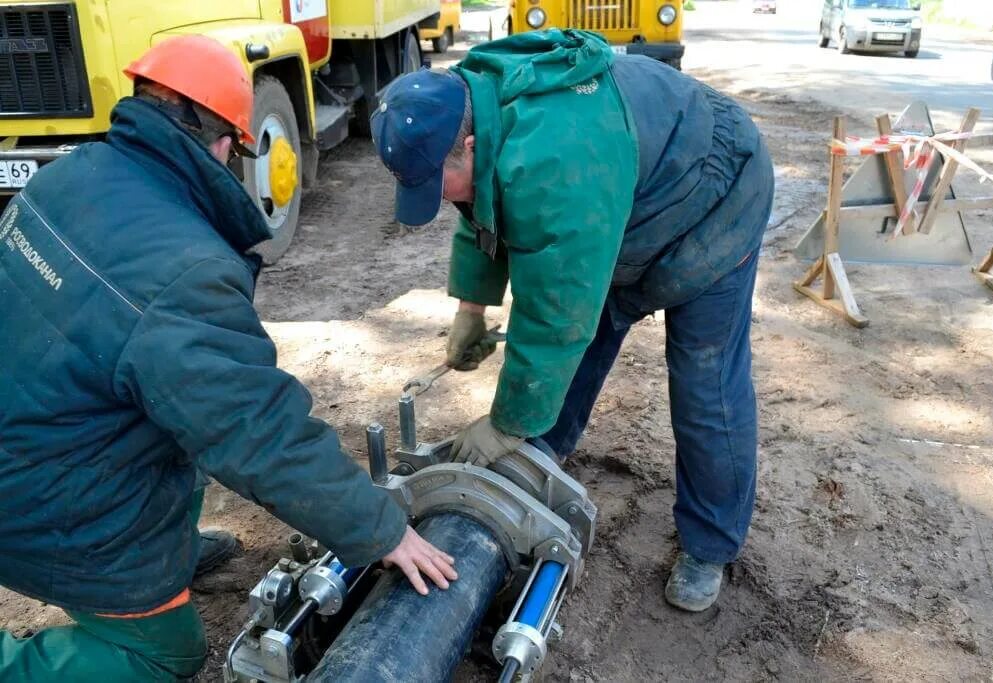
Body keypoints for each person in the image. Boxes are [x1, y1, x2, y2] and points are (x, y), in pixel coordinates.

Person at [0, 35, 455, 681]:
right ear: (224, 143)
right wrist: (378, 529)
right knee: (161, 654)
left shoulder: (68, 174)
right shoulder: (185, 269)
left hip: (40, 424)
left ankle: (171, 550)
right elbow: (255, 427)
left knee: (171, 411)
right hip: (37, 497)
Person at [371, 29, 773, 613]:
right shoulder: (471, 101)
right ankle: (542, 450)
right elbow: (479, 203)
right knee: (579, 338)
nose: (436, 199)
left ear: (473, 144)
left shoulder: (555, 158)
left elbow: (557, 313)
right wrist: (470, 307)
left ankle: (710, 544)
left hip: (714, 198)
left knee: (703, 376)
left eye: (436, 181)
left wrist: (504, 424)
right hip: (625, 195)